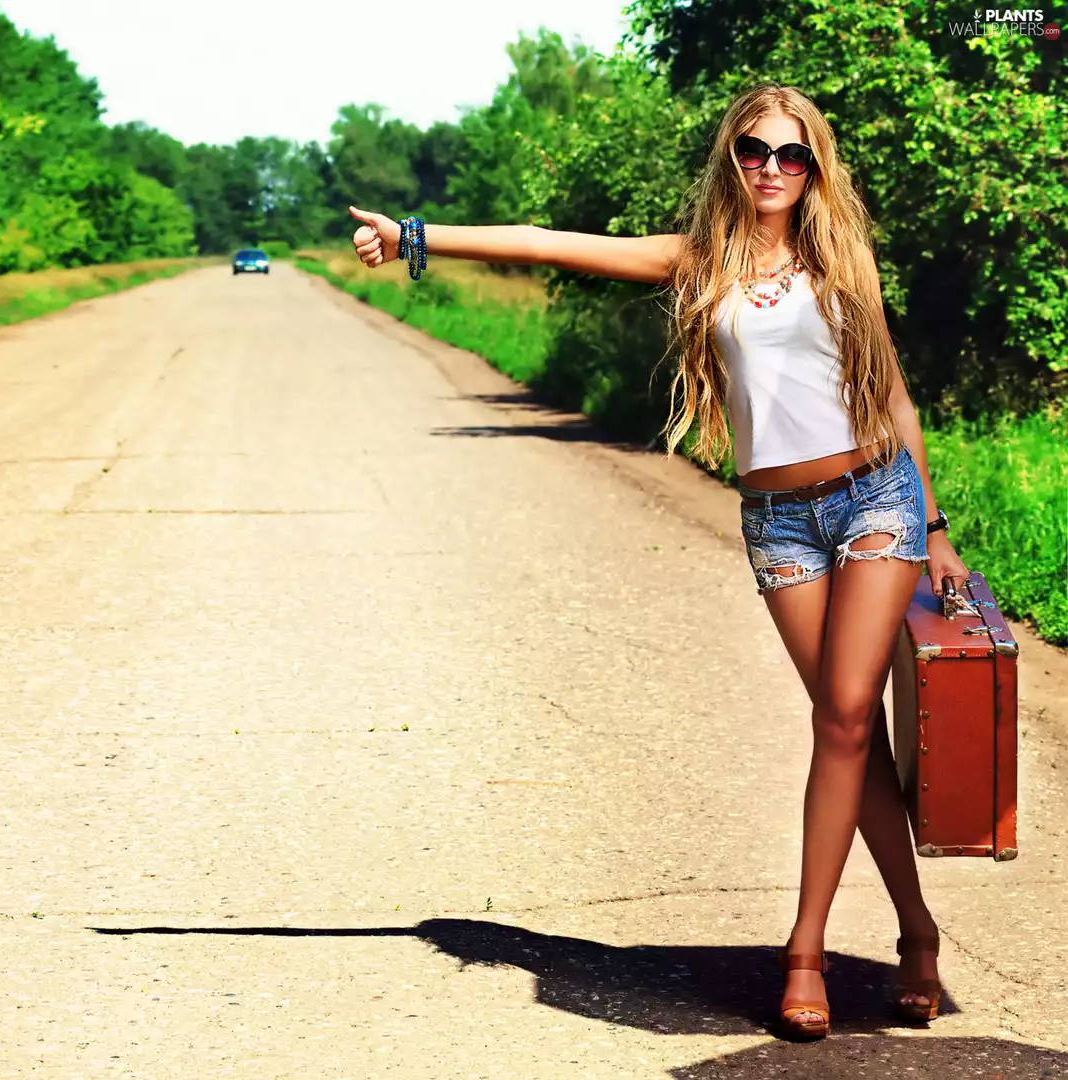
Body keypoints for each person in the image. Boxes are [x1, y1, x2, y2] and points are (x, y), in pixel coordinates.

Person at [345, 82, 970, 1041]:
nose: (771, 167)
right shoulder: (698, 263)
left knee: (845, 717)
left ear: (814, 169)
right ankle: (918, 935)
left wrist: (933, 530)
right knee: (850, 731)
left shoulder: (842, 258)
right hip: (779, 518)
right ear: (731, 160)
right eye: (754, 151)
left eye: (791, 155)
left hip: (875, 499)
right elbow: (551, 241)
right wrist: (418, 236)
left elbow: (891, 393)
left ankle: (803, 952)